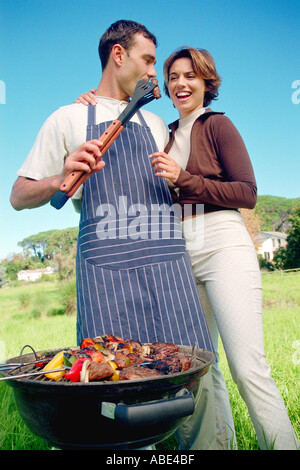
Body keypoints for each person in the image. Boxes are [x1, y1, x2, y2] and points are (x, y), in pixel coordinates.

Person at [10, 21, 216, 450]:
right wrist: (59, 177)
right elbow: (18, 195)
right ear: (118, 56)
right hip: (108, 274)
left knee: (194, 373)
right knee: (113, 383)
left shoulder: (157, 123)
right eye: (147, 60)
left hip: (167, 265)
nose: (152, 73)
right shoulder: (66, 118)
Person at [149, 47, 298, 450]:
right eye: (174, 76)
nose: (181, 83)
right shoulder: (163, 134)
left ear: (206, 83)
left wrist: (185, 179)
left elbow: (247, 192)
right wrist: (91, 101)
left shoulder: (218, 125)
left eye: (191, 76)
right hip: (178, 252)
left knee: (247, 368)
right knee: (198, 366)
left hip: (222, 243)